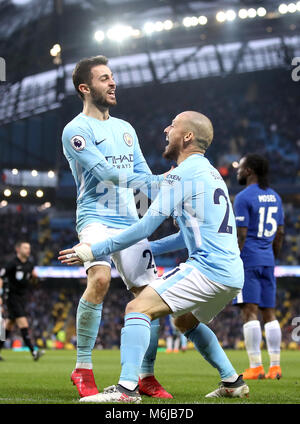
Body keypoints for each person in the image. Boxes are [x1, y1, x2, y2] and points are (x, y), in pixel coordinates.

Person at [59, 110, 250, 403]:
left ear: (187, 136)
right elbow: (183, 236)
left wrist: (94, 250)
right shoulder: (209, 172)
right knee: (184, 320)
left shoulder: (181, 174)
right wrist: (145, 249)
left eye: (172, 126)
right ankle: (232, 381)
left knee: (137, 308)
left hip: (208, 269)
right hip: (232, 273)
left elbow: (146, 226)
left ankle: (126, 390)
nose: (166, 129)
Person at [61, 55, 172, 399]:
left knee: (149, 297)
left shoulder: (126, 129)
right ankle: (82, 368)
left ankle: (145, 376)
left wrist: (160, 200)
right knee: (100, 278)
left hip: (130, 219)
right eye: (104, 78)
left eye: (113, 77)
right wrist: (159, 181)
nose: (113, 83)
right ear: (85, 88)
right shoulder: (76, 130)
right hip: (95, 216)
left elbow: (140, 176)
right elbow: (107, 174)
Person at [233, 154, 284, 380]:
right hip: (268, 260)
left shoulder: (244, 197)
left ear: (249, 171)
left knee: (249, 311)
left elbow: (241, 234)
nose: (237, 171)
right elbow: (280, 234)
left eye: (240, 167)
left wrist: (235, 259)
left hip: (249, 260)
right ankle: (275, 367)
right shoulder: (276, 197)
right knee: (269, 313)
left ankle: (255, 366)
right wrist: (271, 256)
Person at [0, 241, 44, 361]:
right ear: (18, 249)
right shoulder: (12, 264)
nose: (28, 250)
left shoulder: (29, 265)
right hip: (11, 297)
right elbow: (1, 278)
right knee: (23, 323)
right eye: (25, 248)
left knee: (8, 326)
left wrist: (35, 278)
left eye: (29, 248)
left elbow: (33, 279)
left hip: (22, 298)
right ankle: (33, 352)